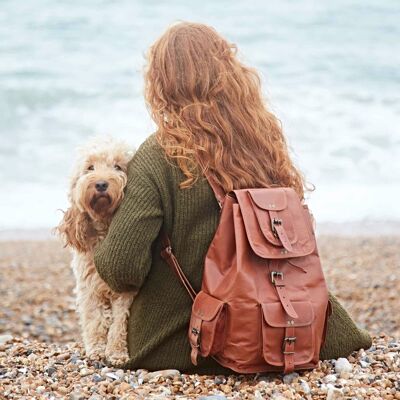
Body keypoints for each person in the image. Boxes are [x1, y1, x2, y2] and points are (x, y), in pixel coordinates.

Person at [94, 22, 371, 374]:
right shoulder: (262, 142)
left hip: (182, 340)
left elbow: (122, 269)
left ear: (161, 83)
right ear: (228, 72)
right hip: (280, 328)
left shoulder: (159, 152)